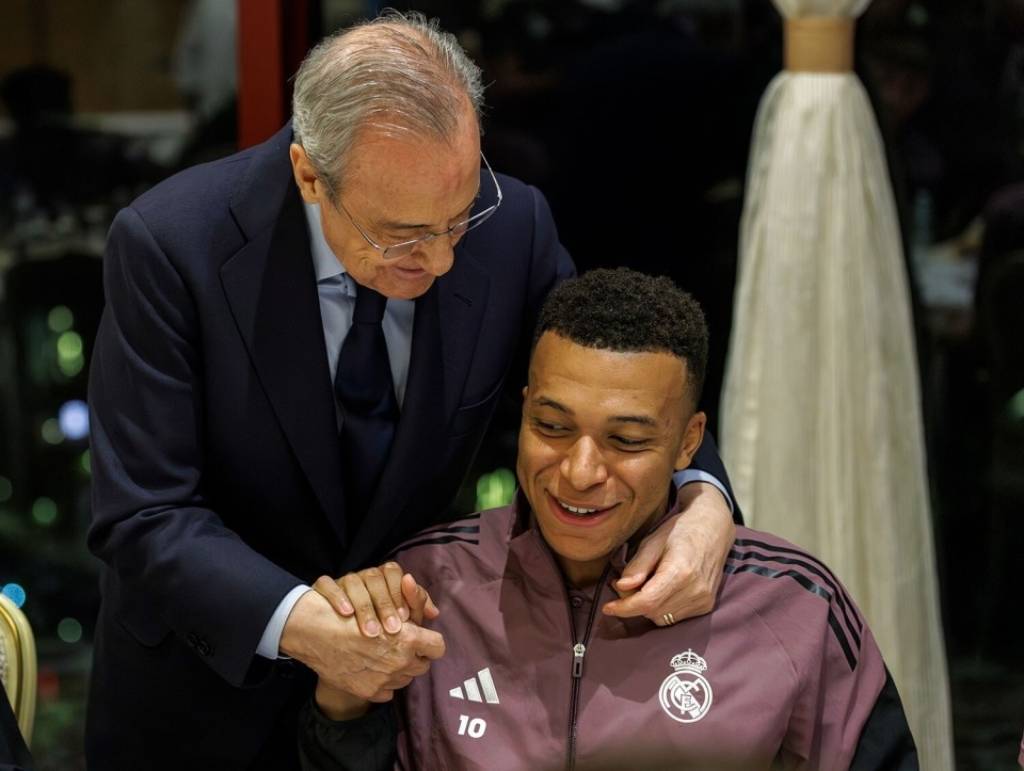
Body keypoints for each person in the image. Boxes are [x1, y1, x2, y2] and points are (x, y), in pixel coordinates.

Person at [85, 12, 738, 770]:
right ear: (309, 175)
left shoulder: (511, 227)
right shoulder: (173, 244)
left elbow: (613, 376)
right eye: (401, 235)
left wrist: (703, 498)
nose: (441, 260)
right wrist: (304, 623)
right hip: (202, 703)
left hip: (412, 704)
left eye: (457, 219)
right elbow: (145, 512)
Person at [302, 269, 918, 771]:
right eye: (552, 426)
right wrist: (343, 699)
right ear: (524, 412)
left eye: (626, 440)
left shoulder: (796, 606)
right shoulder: (425, 583)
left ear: (689, 441)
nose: (580, 472)